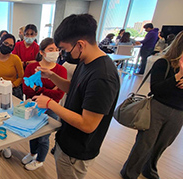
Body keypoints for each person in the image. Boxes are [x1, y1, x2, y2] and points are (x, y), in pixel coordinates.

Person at [33, 14, 120, 178]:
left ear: (80, 44)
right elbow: (74, 89)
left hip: (77, 150)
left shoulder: (102, 76)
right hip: (66, 140)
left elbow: (88, 124)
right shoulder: (86, 62)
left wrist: (51, 103)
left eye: (65, 49)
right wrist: (51, 75)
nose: (64, 54)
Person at [120, 31, 183, 179]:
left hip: (179, 112)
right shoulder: (163, 63)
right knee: (145, 143)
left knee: (163, 144)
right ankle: (130, 172)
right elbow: (156, 89)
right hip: (158, 108)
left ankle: (149, 169)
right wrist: (177, 77)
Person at [21, 38, 67, 170]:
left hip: (51, 108)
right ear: (42, 52)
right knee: (32, 133)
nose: (55, 52)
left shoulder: (60, 71)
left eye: (57, 50)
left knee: (43, 137)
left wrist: (37, 89)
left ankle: (40, 160)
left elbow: (59, 95)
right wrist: (48, 91)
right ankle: (32, 153)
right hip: (33, 106)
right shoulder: (31, 67)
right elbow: (25, 89)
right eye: (51, 49)